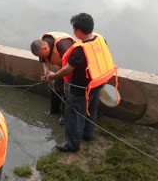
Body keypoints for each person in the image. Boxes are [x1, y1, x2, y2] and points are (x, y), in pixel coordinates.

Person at [43, 13, 117, 152]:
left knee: (74, 116)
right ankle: (88, 135)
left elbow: (66, 70)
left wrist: (53, 76)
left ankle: (72, 144)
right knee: (90, 110)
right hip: (98, 82)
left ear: (77, 31)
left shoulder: (79, 50)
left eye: (73, 29)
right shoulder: (101, 39)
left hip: (81, 89)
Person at [30, 32, 75, 124]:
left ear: (45, 48)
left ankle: (65, 115)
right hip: (59, 65)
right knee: (55, 85)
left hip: (71, 68)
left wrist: (55, 75)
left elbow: (70, 66)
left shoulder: (62, 46)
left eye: (42, 55)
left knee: (67, 91)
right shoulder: (41, 47)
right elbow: (43, 60)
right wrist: (46, 71)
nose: (42, 57)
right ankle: (54, 110)